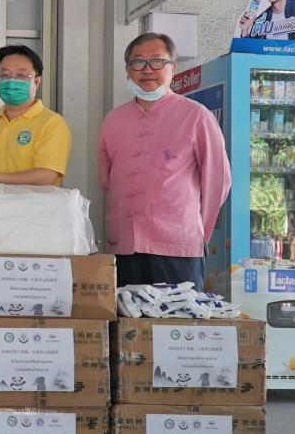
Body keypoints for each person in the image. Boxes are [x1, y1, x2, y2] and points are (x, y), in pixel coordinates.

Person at [98, 32, 231, 290]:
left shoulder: (196, 116)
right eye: (138, 62)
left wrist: (195, 230)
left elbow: (218, 182)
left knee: (178, 316)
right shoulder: (113, 120)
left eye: (157, 61)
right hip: (124, 247)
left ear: (173, 67)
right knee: (127, 315)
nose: (147, 70)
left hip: (177, 247)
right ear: (127, 70)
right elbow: (107, 181)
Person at [0, 44, 72, 225]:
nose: (11, 81)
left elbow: (46, 177)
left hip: (31, 224)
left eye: (21, 75)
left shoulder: (52, 123)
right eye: (5, 75)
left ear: (37, 81)